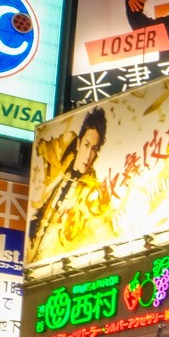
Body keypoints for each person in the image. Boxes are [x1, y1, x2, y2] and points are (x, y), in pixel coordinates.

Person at [27, 107, 109, 262]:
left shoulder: (90, 192)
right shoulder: (60, 156)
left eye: (94, 149)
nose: (88, 154)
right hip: (31, 249)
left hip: (54, 262)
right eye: (86, 145)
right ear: (78, 143)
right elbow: (41, 145)